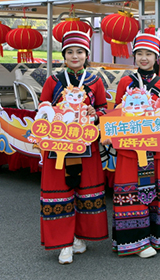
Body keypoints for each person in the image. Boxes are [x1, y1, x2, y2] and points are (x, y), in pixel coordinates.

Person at [39, 30, 108, 264]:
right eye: (70, 52)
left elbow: (104, 109)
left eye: (80, 52)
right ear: (64, 55)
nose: (75, 56)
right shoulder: (54, 80)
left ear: (86, 54)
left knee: (86, 191)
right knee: (60, 194)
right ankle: (63, 244)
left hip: (86, 146)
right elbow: (42, 108)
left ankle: (80, 236)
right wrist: (56, 111)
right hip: (58, 146)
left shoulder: (95, 80)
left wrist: (94, 113)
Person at [112, 33, 160, 257]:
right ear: (134, 56)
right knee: (131, 190)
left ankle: (159, 238)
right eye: (139, 54)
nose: (144, 58)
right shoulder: (125, 82)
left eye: (149, 54)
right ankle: (135, 242)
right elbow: (117, 113)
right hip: (130, 148)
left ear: (156, 57)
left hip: (157, 148)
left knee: (158, 191)